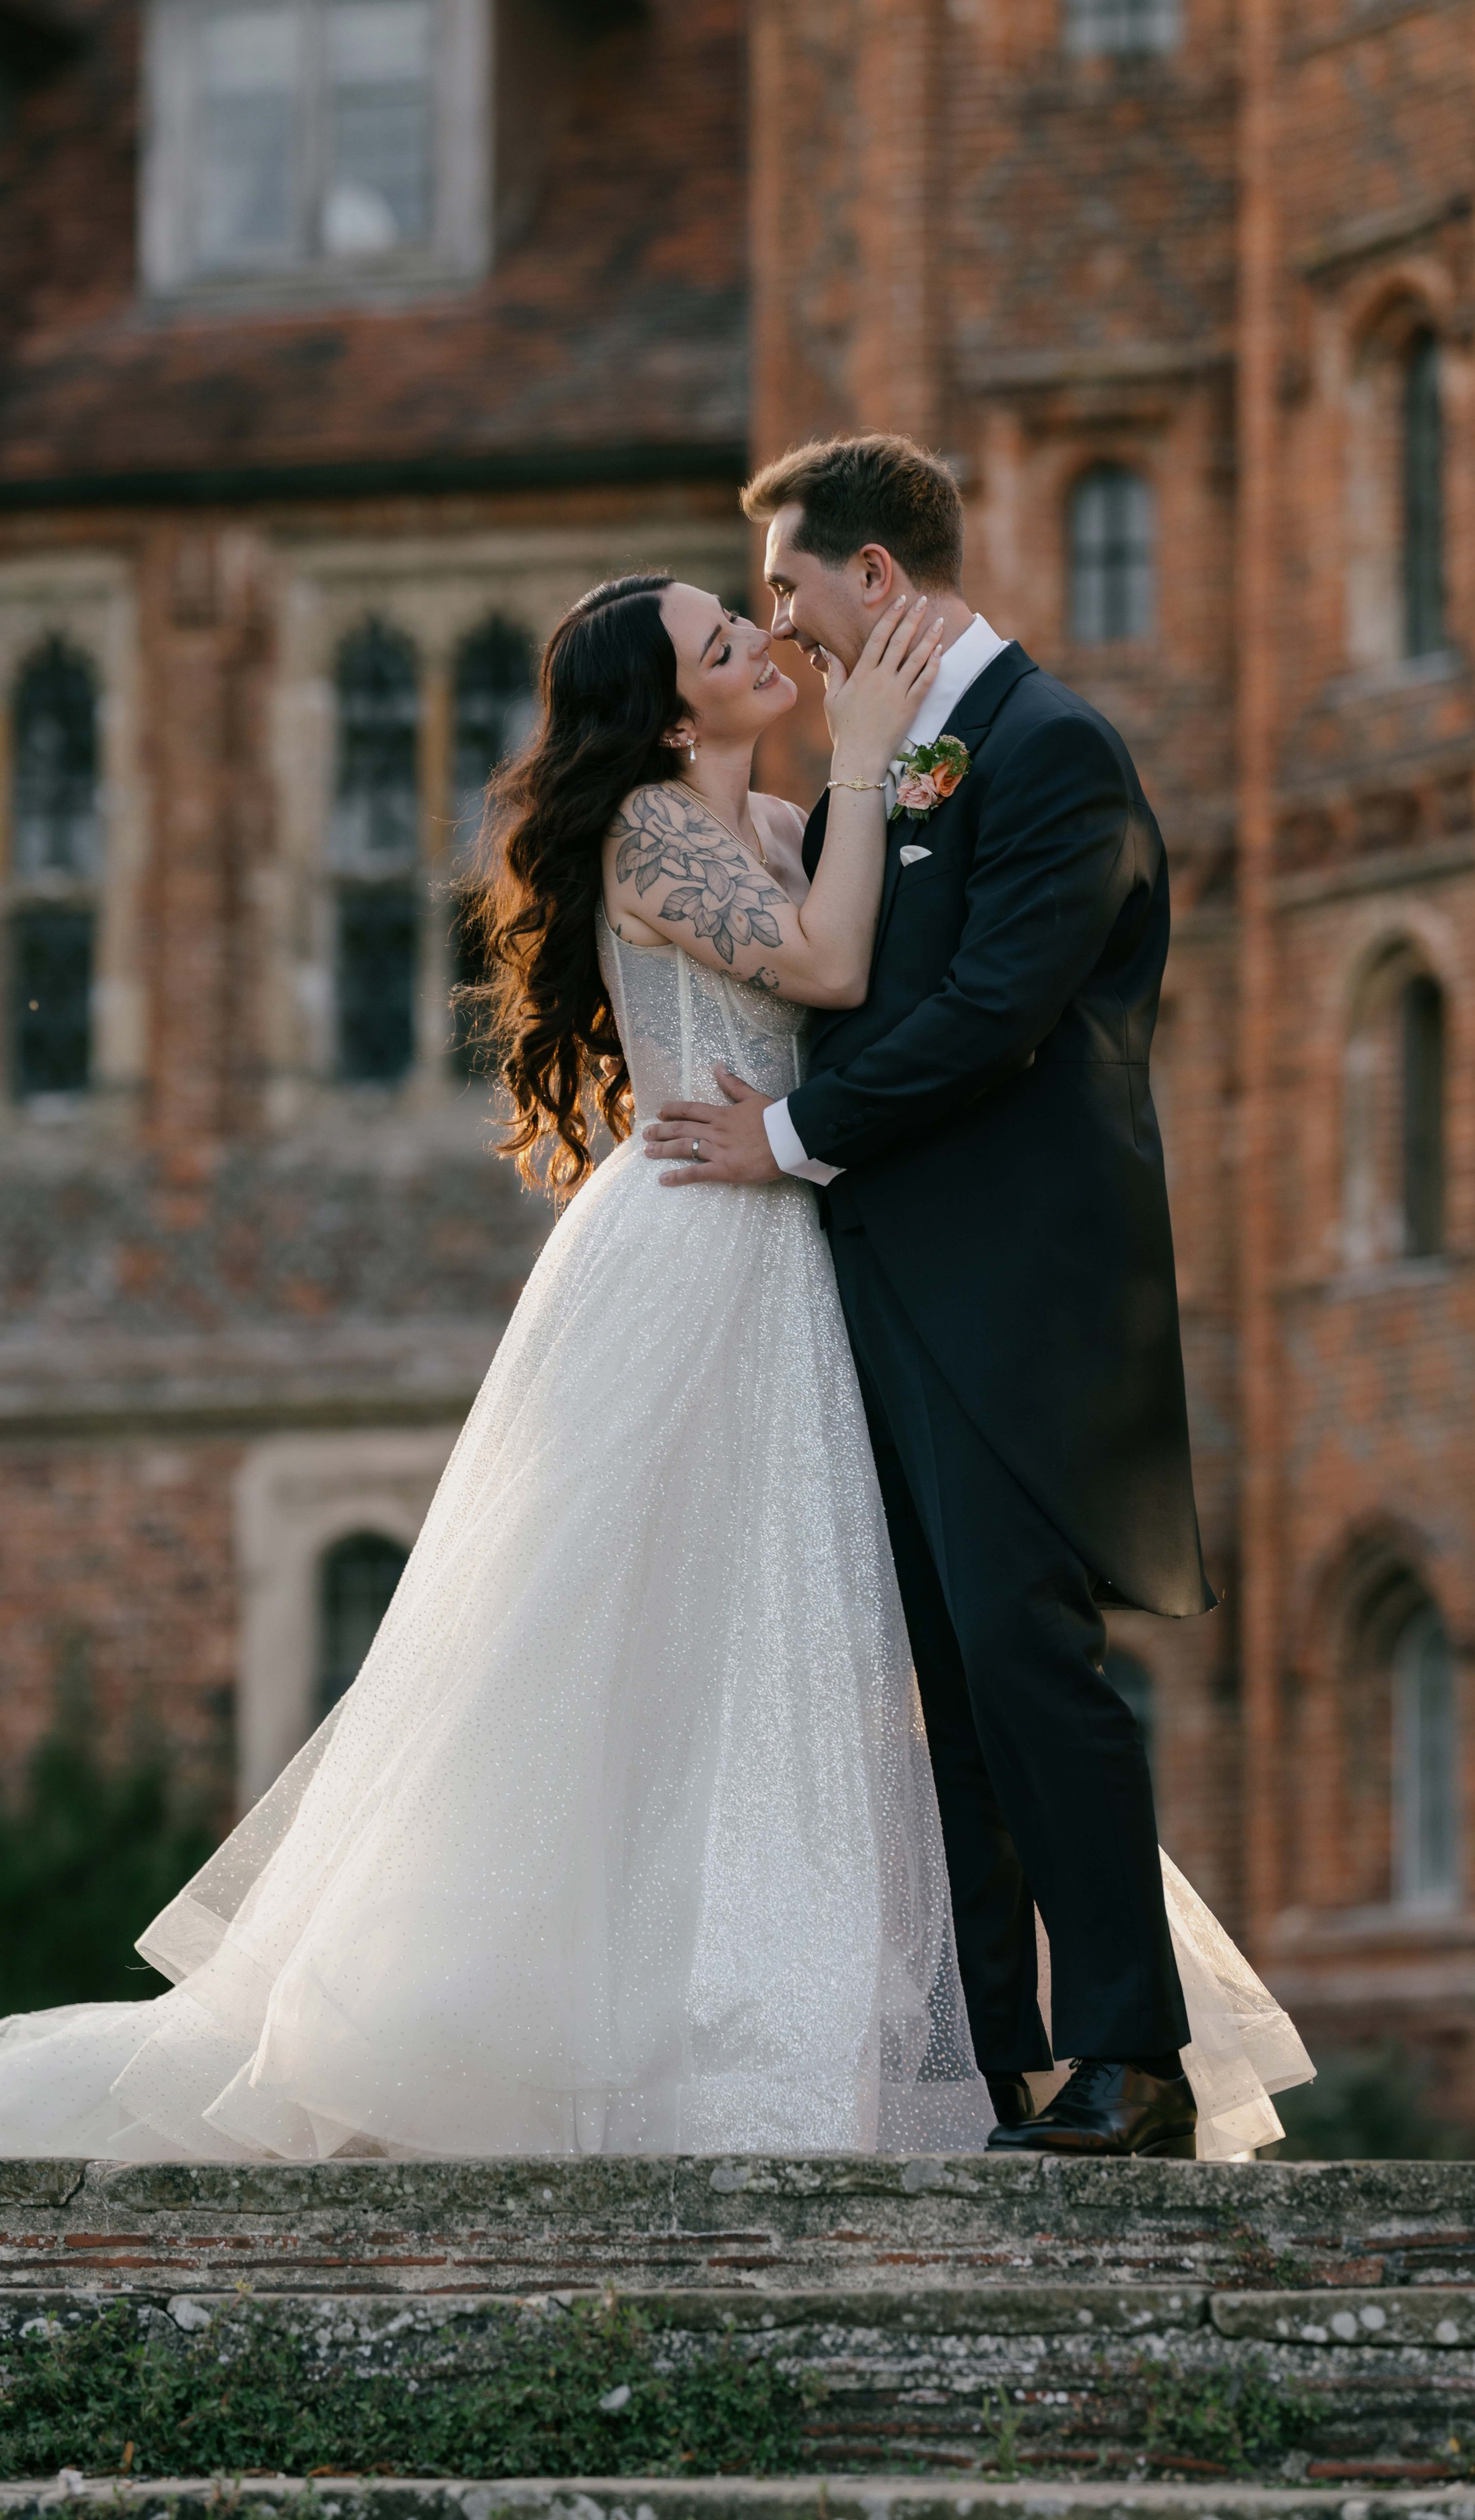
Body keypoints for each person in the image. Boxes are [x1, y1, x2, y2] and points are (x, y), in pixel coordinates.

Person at [0, 544, 1307, 2164]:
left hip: (805, 1243)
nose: (759, 638)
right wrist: (869, 753)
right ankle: (622, 2036)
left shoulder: (788, 825)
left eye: (747, 615)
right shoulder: (647, 830)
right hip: (696, 1245)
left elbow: (890, 970)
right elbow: (825, 968)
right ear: (671, 712)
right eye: (719, 637)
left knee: (823, 1652)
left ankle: (890, 2040)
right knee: (648, 1643)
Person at [643, 434, 1312, 2156]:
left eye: (790, 588)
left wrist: (788, 1133)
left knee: (1029, 1662)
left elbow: (998, 1011)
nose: (781, 627)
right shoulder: (874, 782)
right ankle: (991, 2058)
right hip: (879, 1290)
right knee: (934, 1692)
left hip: (1018, 1298)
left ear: (876, 576)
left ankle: (1132, 2054)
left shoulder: (1051, 749)